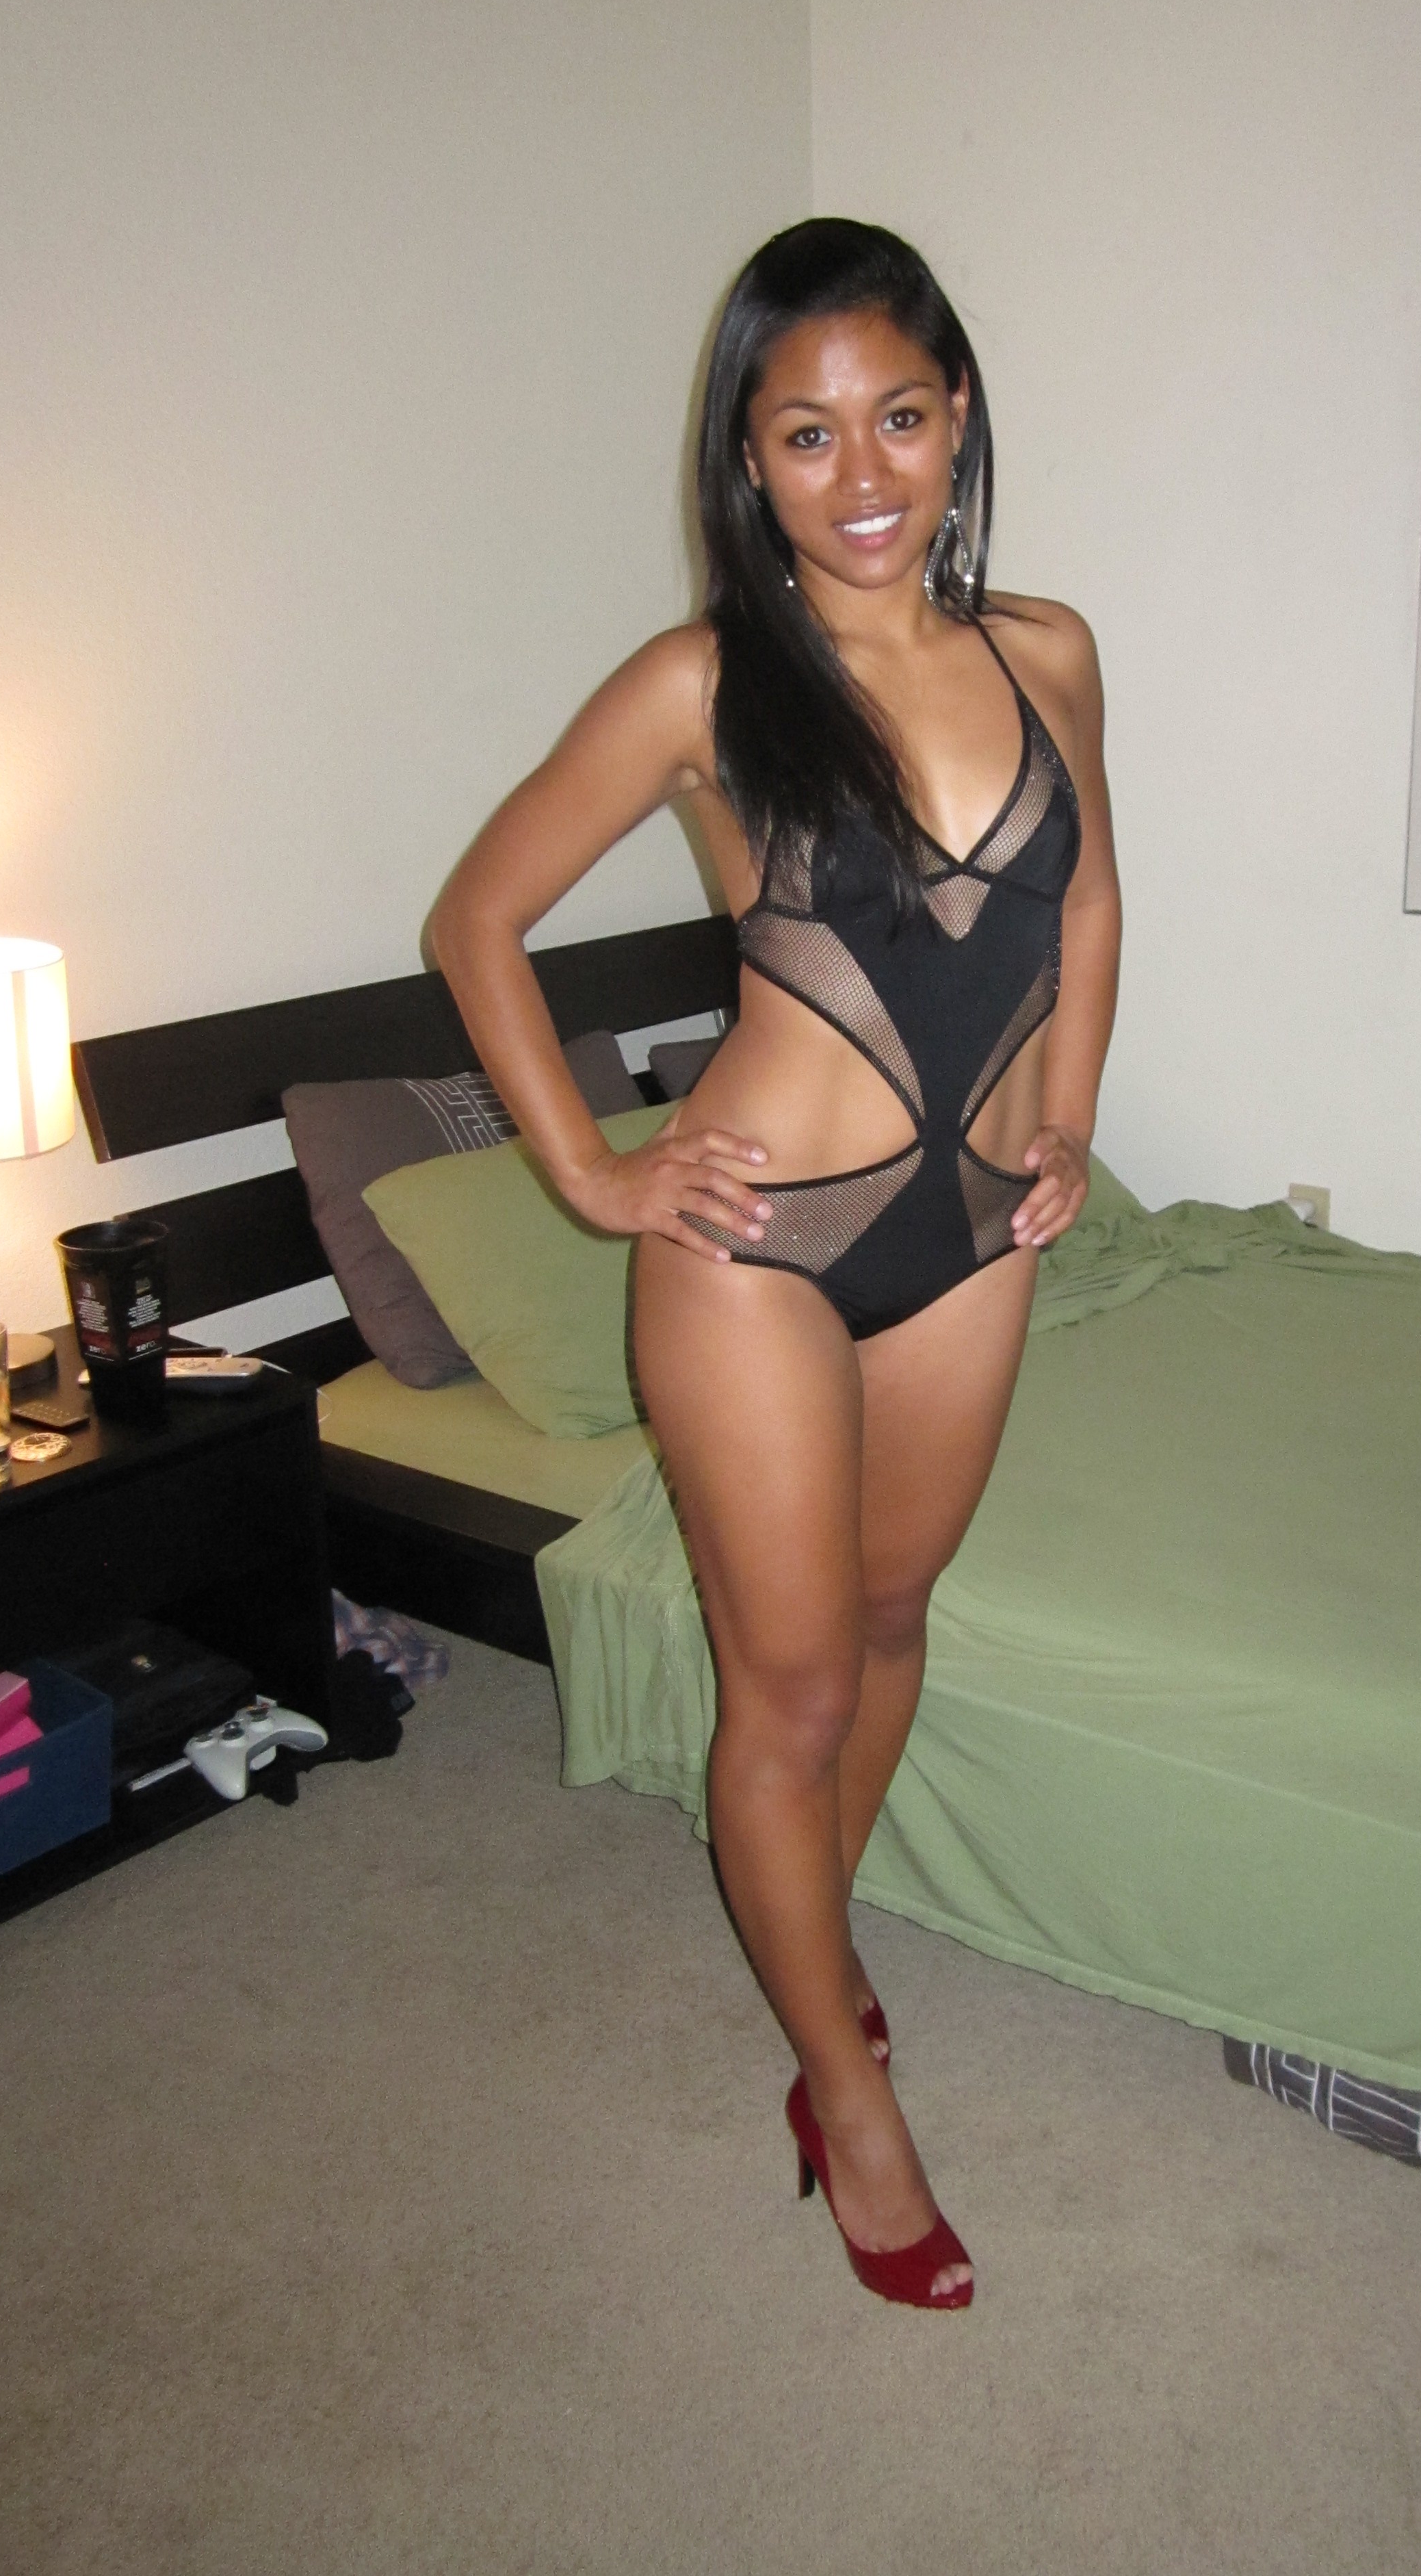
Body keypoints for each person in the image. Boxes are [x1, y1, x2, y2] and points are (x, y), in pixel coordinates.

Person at [432, 218, 1121, 2309]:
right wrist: (593, 1178)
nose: (862, 474)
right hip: (758, 1250)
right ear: (749, 457)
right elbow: (477, 923)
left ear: (958, 413)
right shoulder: (704, 685)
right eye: (806, 435)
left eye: (897, 417)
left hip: (974, 1232)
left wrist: (1071, 1115)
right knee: (793, 1682)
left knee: (896, 1618)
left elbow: (1090, 907)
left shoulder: (1052, 652)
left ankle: (809, 1931)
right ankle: (848, 2090)